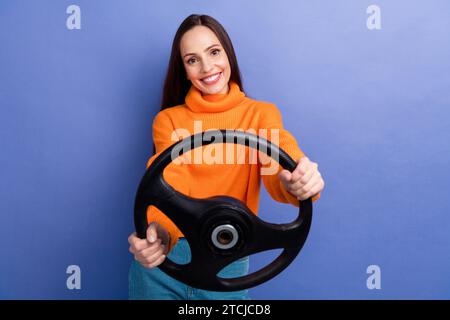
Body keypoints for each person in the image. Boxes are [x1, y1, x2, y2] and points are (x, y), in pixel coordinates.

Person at [128, 14, 325, 300]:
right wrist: (157, 240)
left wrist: (298, 182)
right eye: (192, 59)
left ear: (228, 54)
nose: (207, 68)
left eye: (214, 52)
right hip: (164, 268)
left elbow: (278, 172)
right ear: (183, 69)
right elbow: (168, 189)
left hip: (227, 265)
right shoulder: (168, 120)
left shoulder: (260, 115)